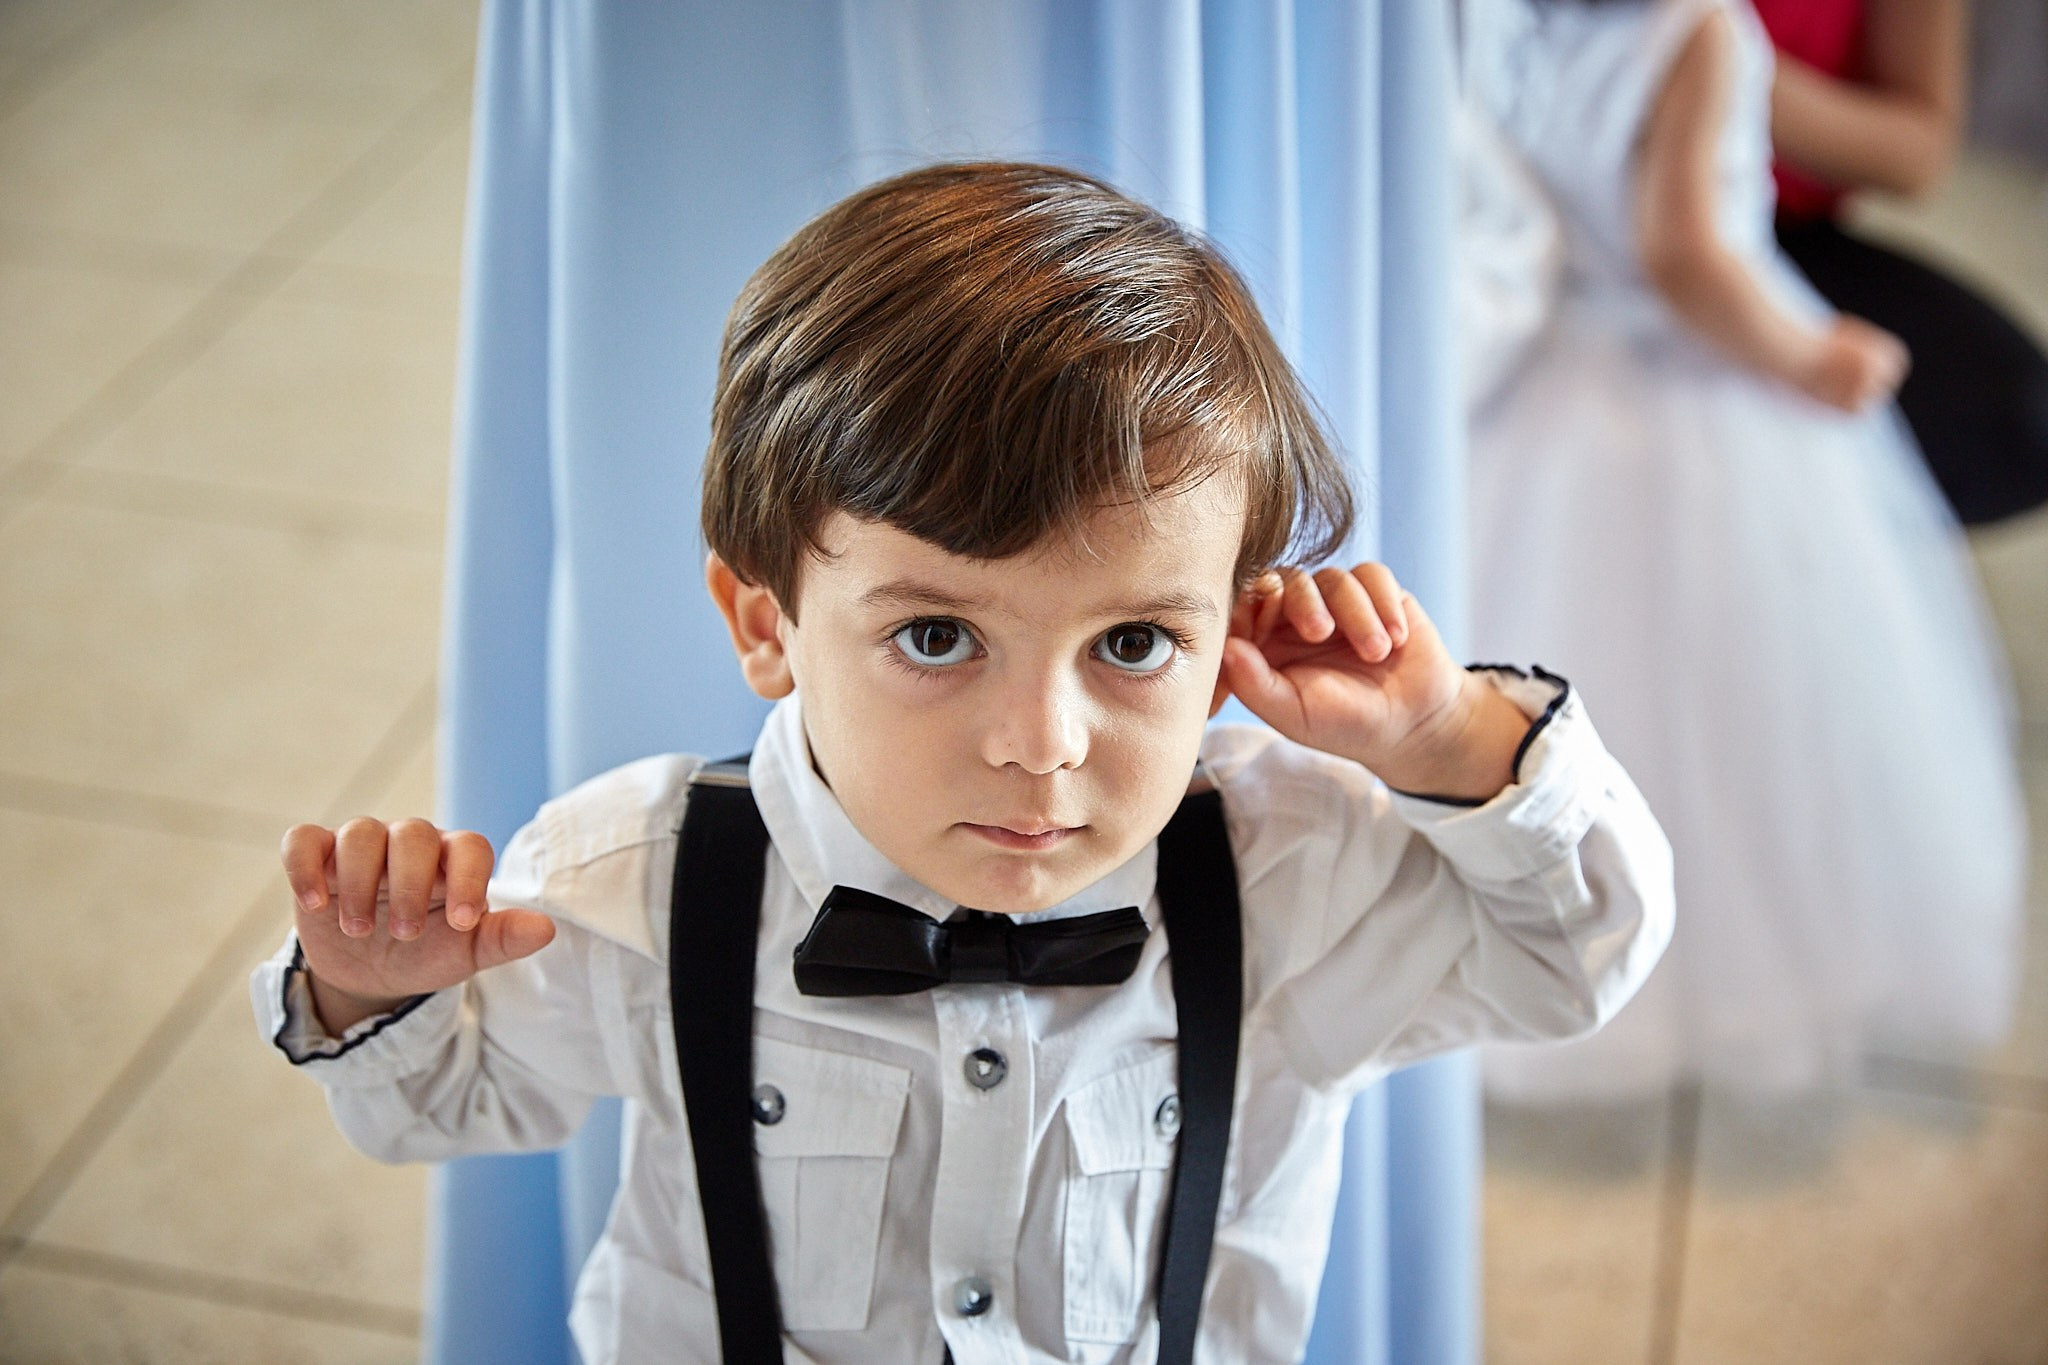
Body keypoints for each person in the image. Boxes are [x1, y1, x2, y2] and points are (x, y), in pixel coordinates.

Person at [253, 162, 1674, 1362]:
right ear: (769, 624)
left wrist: (1445, 742)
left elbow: (1578, 957)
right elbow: (452, 1103)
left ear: (1235, 628)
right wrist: (370, 992)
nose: (1040, 744)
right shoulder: (644, 874)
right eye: (936, 636)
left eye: (1131, 644)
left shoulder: (1294, 868)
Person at [1463, 0, 2026, 1105]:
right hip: (1698, 371)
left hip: (1558, 365)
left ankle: (1565, 950)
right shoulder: (1705, 32)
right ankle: (1732, 973)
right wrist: (1810, 356)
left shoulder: (1519, 29)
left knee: (1577, 673)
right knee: (1740, 705)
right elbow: (1683, 254)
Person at [1757, 0, 2048, 526]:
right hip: (1593, 226)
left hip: (1779, 228)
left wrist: (1724, 69)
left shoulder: (1707, 49)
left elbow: (1920, 152)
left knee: (2018, 420)